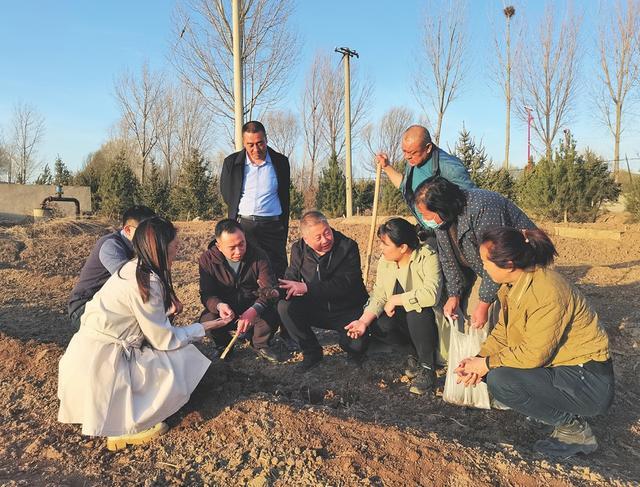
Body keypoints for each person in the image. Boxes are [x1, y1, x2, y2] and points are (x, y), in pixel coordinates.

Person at [58, 217, 229, 451]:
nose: (178, 251)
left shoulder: (132, 269)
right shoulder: (146, 281)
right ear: (160, 247)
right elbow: (164, 339)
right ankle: (129, 425)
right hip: (106, 362)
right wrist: (205, 327)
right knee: (184, 357)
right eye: (175, 246)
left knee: (176, 352)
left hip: (87, 355)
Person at [455, 227, 614, 457]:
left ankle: (574, 431)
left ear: (508, 263)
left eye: (486, 262)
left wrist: (487, 364)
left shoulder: (546, 291)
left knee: (501, 379)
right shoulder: (514, 286)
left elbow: (534, 354)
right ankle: (556, 411)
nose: (484, 267)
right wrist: (480, 359)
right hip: (564, 369)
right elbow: (504, 331)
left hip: (589, 381)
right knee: (493, 373)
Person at [414, 176, 536, 329]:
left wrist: (484, 303)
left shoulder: (483, 207)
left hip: (519, 265)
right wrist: (454, 295)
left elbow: (497, 258)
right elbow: (447, 259)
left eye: (427, 215)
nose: (425, 220)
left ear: (442, 207)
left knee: (502, 317)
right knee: (471, 314)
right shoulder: (443, 222)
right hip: (489, 269)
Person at [345, 218, 442, 395]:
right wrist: (362, 322)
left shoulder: (427, 256)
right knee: (379, 323)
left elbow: (431, 294)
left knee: (416, 312)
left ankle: (428, 368)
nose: (380, 248)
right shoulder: (386, 261)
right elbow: (380, 295)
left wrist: (397, 299)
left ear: (403, 247)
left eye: (385, 244)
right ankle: (413, 356)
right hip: (403, 320)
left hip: (429, 320)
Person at [278, 211, 368, 371]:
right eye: (318, 237)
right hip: (316, 307)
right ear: (306, 239)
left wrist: (307, 287)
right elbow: (290, 277)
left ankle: (354, 351)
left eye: (327, 232)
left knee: (356, 345)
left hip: (346, 309)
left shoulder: (347, 247)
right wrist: (274, 291)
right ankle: (311, 351)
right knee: (285, 307)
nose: (326, 239)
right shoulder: (298, 249)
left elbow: (344, 284)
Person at [198, 219, 280, 363]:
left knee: (272, 314)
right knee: (207, 319)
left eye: (242, 243)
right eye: (232, 247)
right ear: (219, 246)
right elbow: (207, 293)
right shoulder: (207, 260)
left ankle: (260, 344)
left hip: (252, 305)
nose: (239, 251)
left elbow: (268, 288)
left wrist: (254, 309)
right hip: (226, 310)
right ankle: (224, 346)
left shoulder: (258, 255)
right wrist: (219, 306)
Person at [220, 120, 290, 280]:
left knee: (277, 272)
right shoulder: (231, 163)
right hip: (245, 226)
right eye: (250, 144)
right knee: (246, 272)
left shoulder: (281, 162)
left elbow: (284, 194)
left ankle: (277, 303)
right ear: (244, 143)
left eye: (260, 143)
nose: (255, 149)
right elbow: (226, 193)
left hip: (273, 227)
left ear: (266, 140)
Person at [68, 205, 156, 328]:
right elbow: (129, 283)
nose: (151, 237)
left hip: (107, 303)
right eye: (145, 232)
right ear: (128, 230)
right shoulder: (111, 245)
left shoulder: (138, 247)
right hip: (84, 307)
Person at [375, 125, 474, 229]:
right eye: (404, 151)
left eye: (412, 152)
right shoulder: (413, 161)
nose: (407, 156)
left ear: (428, 148)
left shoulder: (450, 168)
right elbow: (405, 186)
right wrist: (386, 167)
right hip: (428, 232)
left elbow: (470, 202)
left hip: (449, 231)